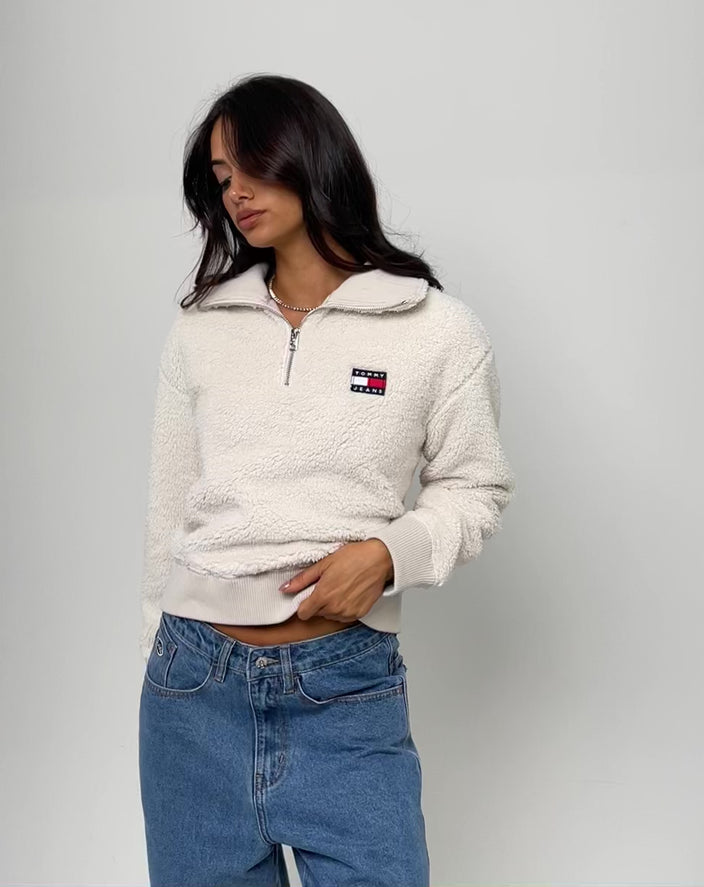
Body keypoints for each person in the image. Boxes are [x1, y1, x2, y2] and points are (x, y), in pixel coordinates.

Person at [138, 74, 516, 887]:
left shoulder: (435, 329)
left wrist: (387, 554)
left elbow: (475, 486)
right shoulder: (201, 328)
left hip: (344, 688)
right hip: (191, 694)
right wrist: (152, 659)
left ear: (308, 153)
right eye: (220, 178)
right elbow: (170, 510)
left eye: (250, 164)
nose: (236, 192)